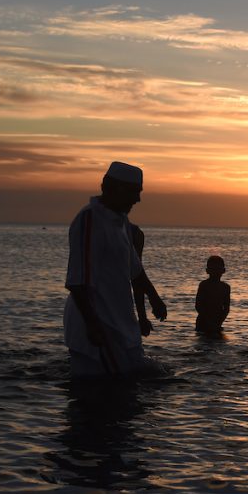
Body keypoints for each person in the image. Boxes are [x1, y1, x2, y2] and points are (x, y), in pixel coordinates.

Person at [63, 161, 170, 380]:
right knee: (108, 387)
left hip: (119, 322)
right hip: (100, 325)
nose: (137, 199)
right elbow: (77, 281)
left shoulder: (122, 223)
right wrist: (92, 325)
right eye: (133, 192)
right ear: (111, 187)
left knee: (133, 382)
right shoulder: (90, 219)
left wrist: (154, 298)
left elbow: (135, 271)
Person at [128, 223, 168, 336]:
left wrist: (142, 317)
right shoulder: (130, 232)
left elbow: (136, 274)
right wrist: (154, 297)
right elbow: (137, 276)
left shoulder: (133, 232)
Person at [195, 255, 230, 334]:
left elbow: (226, 308)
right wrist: (209, 321)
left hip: (217, 322)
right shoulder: (204, 285)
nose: (216, 272)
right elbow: (198, 306)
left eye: (218, 269)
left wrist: (219, 322)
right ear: (207, 271)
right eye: (213, 269)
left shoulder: (226, 287)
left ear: (223, 270)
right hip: (203, 323)